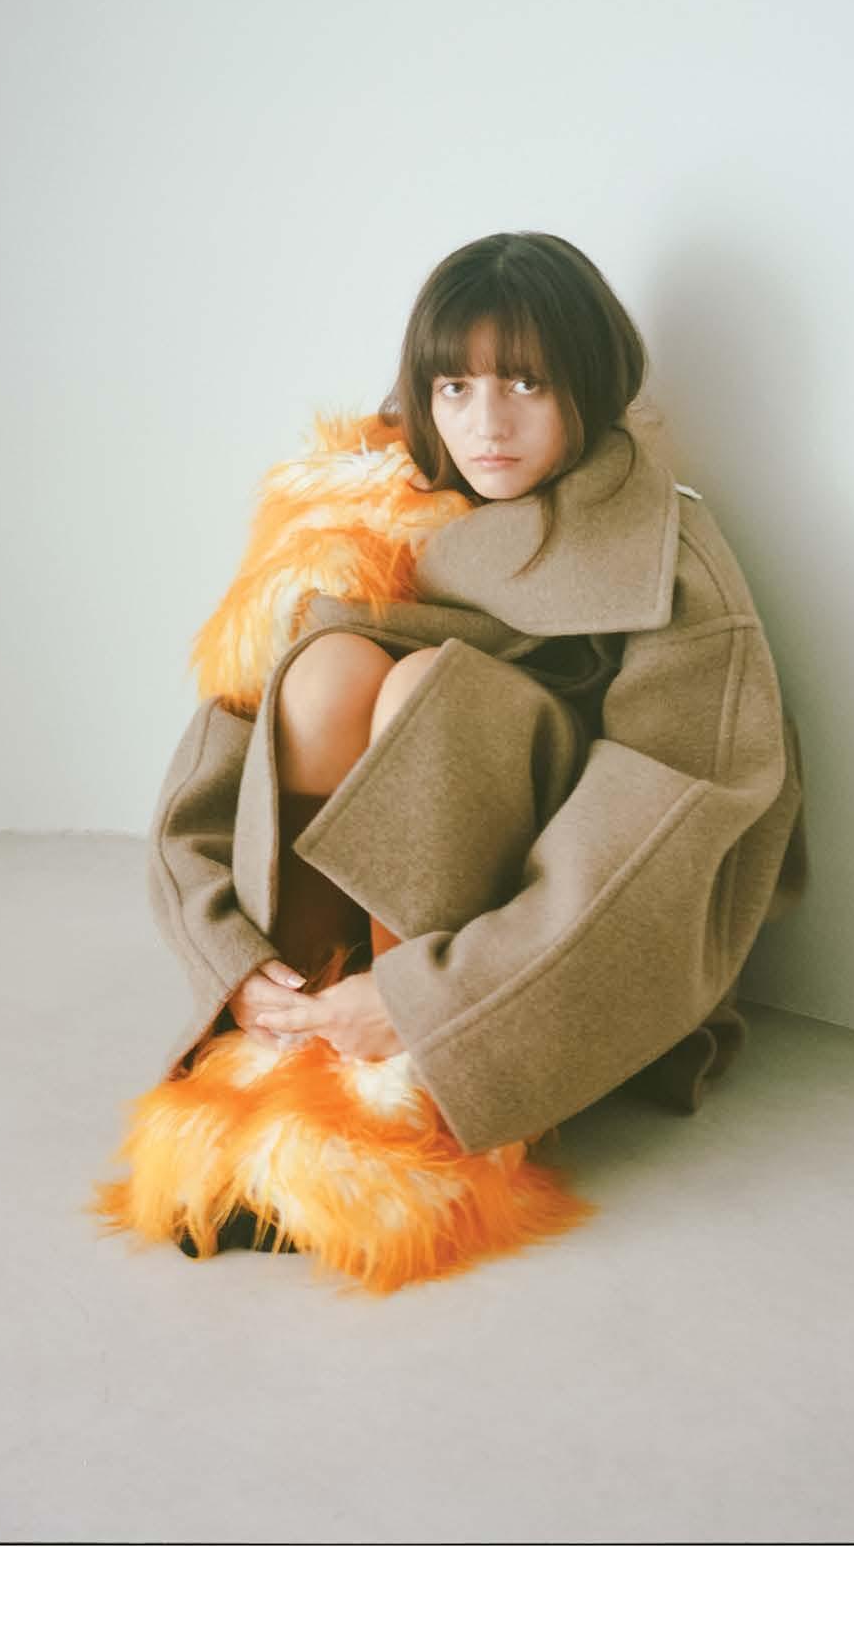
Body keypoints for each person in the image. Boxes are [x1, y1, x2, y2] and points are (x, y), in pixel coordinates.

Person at [146, 229, 807, 1254]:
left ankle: (411, 1087)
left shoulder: (668, 553)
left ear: (588, 384)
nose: (485, 424)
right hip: (354, 939)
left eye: (525, 384)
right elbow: (219, 753)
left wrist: (433, 1003)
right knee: (325, 669)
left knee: (425, 688)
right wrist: (227, 951)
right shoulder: (360, 515)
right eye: (454, 387)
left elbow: (656, 834)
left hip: (527, 954)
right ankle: (301, 1034)